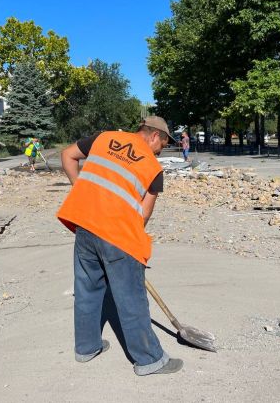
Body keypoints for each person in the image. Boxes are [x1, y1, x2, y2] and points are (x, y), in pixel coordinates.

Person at [56, 116, 183, 376]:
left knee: (88, 289)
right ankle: (150, 360)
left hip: (85, 223)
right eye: (163, 144)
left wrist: (82, 191)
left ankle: (86, 348)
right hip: (118, 234)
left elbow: (67, 155)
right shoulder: (153, 168)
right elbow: (143, 216)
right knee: (131, 297)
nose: (161, 150)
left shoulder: (104, 138)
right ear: (155, 136)